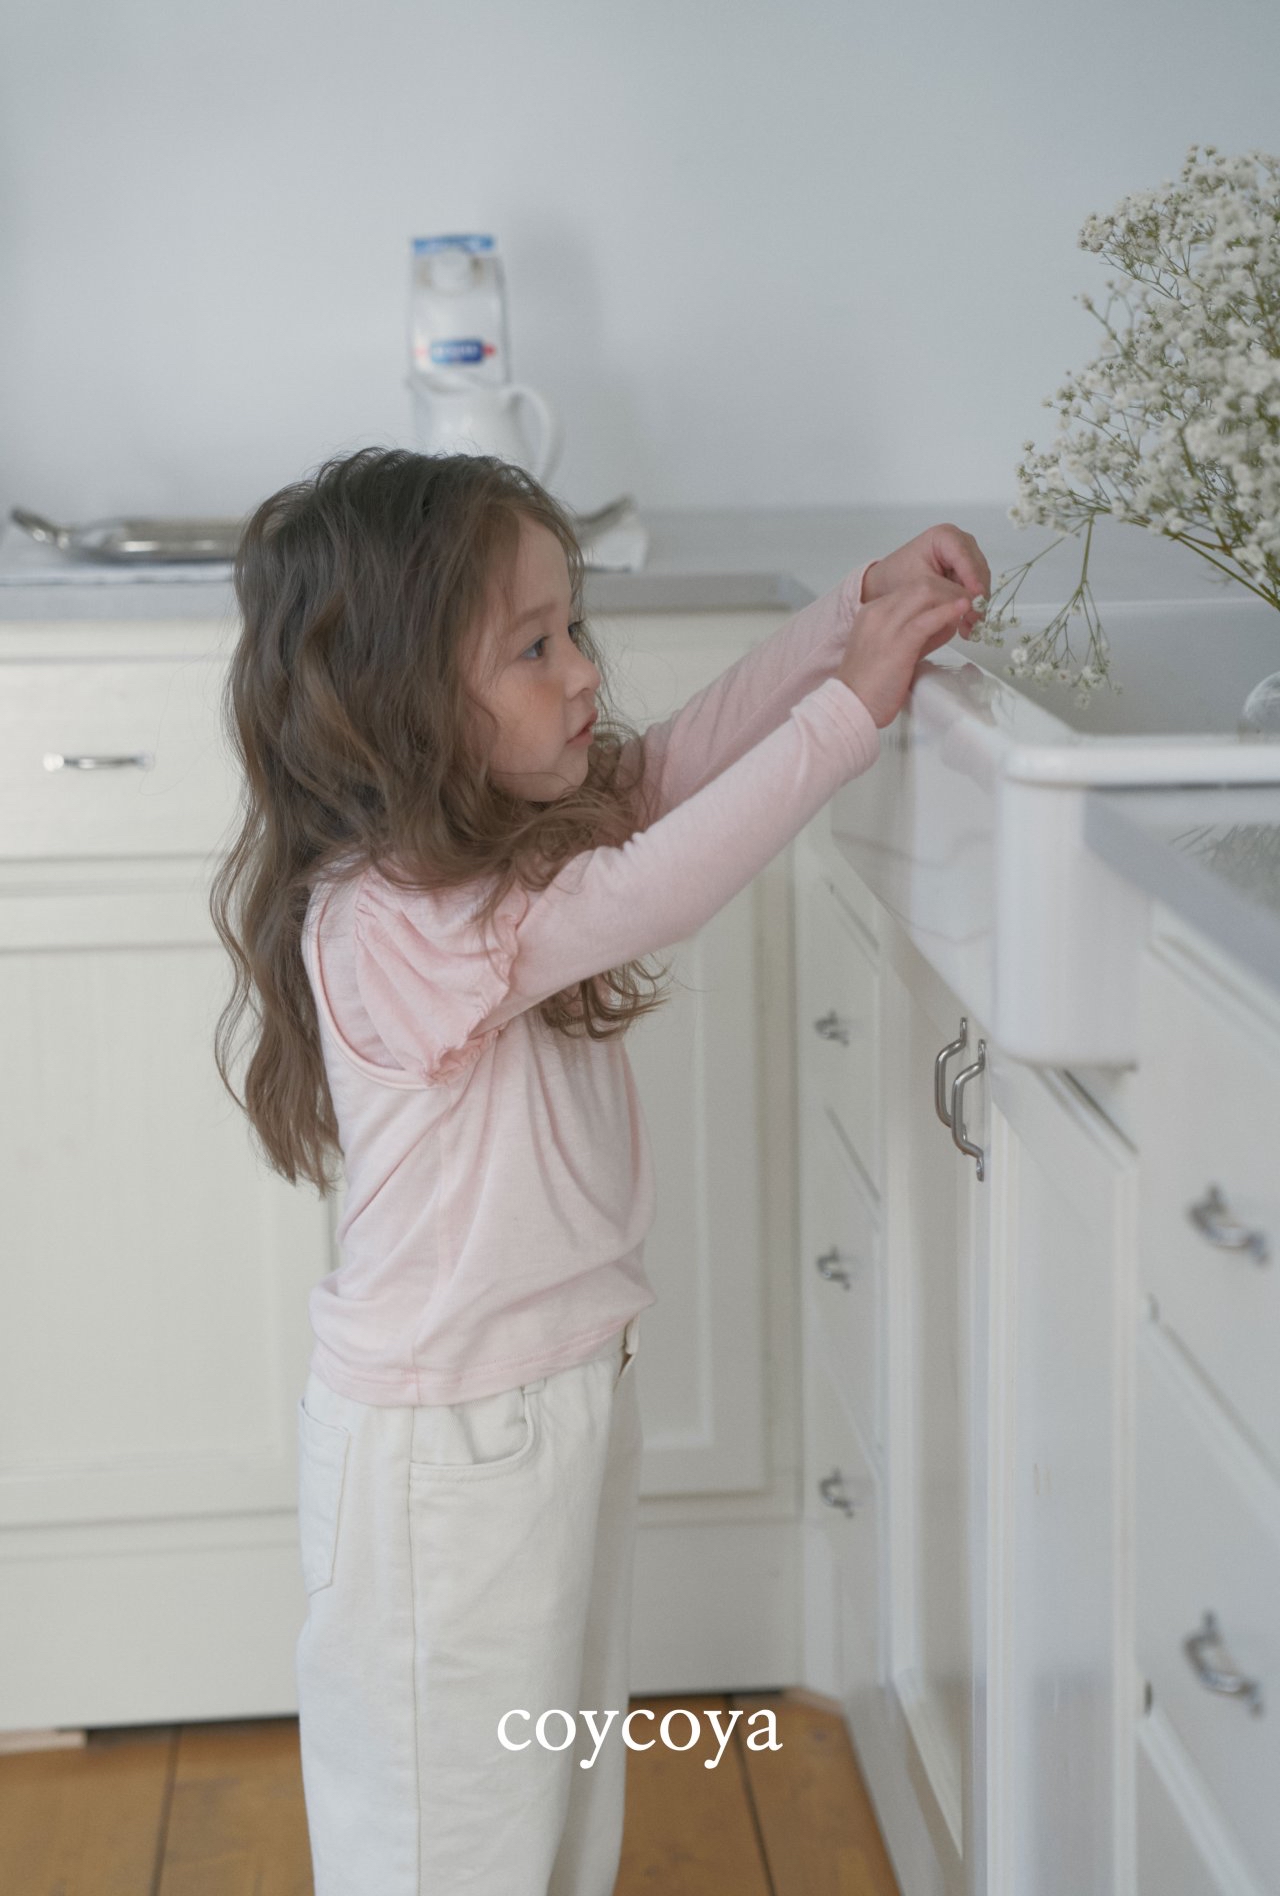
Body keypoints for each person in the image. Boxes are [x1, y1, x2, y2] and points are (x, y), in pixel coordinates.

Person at [209, 446, 989, 1896]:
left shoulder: (484, 855)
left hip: (553, 1406)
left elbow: (675, 765)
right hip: (450, 1456)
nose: (580, 674)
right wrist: (850, 714)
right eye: (532, 645)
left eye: (575, 629)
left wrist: (848, 620)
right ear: (397, 700)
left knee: (552, 1812)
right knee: (451, 1845)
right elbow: (654, 883)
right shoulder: (389, 914)